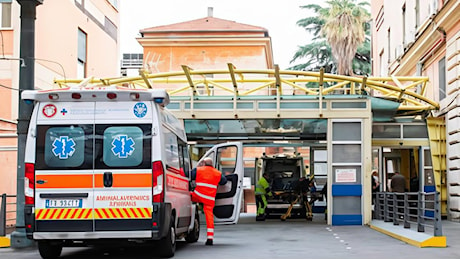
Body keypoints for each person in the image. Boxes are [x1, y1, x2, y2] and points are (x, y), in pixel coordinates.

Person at [190, 157, 227, 246]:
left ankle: (189, 222)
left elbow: (188, 175)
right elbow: (224, 181)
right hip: (209, 199)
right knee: (209, 217)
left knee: (187, 196)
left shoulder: (199, 170)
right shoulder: (217, 173)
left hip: (198, 195)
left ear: (203, 163)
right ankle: (210, 238)